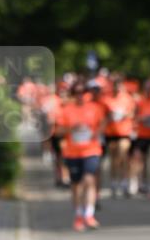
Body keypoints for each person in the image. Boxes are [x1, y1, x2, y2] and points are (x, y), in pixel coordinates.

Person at [55, 81, 106, 231]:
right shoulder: (66, 110)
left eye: (83, 92)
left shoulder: (95, 108)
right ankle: (78, 215)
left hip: (91, 150)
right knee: (76, 184)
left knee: (89, 179)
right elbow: (57, 131)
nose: (80, 95)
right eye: (77, 92)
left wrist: (96, 133)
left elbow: (103, 123)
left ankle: (89, 214)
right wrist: (71, 129)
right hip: (72, 152)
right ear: (73, 94)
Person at [104, 76, 136, 197]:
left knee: (123, 156)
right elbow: (104, 115)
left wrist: (124, 114)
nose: (117, 88)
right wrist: (110, 116)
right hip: (111, 133)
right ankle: (113, 182)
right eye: (115, 86)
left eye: (119, 85)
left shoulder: (127, 99)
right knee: (113, 159)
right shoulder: (107, 99)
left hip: (124, 132)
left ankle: (124, 182)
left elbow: (132, 113)